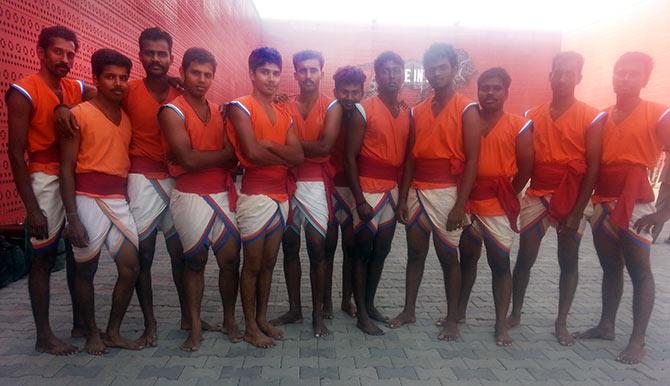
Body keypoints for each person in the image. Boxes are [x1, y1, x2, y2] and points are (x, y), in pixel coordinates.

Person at [578, 52, 670, 364]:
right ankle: (606, 325)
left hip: (637, 203)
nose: (625, 78)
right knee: (610, 268)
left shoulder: (658, 113)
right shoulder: (602, 117)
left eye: (633, 74)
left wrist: (664, 212)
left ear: (645, 79)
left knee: (639, 271)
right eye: (621, 72)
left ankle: (638, 340)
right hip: (602, 201)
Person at [507, 51, 605, 346]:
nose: (562, 78)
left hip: (572, 194)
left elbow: (594, 166)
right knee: (525, 257)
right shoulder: (532, 115)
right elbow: (524, 162)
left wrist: (577, 212)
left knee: (568, 260)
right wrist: (512, 195)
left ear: (579, 78)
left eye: (569, 73)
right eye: (558, 72)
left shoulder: (591, 116)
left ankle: (561, 321)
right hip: (537, 193)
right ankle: (515, 312)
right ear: (550, 75)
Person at [6, 25, 93, 355]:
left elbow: (115, 91)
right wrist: (31, 208)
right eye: (59, 52)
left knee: (77, 254)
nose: (65, 59)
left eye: (71, 54)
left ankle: (79, 322)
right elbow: (15, 152)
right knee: (42, 259)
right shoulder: (24, 90)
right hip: (43, 178)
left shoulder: (74, 87)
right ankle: (43, 336)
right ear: (41, 52)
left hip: (74, 174)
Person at [387, 43, 480, 341]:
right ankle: (409, 309)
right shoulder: (417, 112)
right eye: (432, 68)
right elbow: (411, 159)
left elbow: (473, 161)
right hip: (417, 192)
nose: (437, 73)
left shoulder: (466, 109)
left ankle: (453, 319)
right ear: (425, 72)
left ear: (453, 70)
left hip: (447, 194)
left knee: (447, 258)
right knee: (415, 254)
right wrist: (402, 198)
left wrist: (460, 205)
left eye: (443, 67)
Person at [159, 47, 243, 352]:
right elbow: (188, 160)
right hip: (190, 195)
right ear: (182, 74)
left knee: (231, 260)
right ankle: (194, 326)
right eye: (195, 72)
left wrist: (210, 158)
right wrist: (222, 157)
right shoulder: (172, 111)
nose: (202, 79)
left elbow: (232, 158)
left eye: (208, 74)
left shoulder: (220, 110)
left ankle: (230, 320)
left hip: (221, 194)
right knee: (194, 261)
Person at [59, 48, 142, 355]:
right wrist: (72, 217)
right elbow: (66, 168)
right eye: (110, 77)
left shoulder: (127, 117)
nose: (118, 83)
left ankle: (114, 331)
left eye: (123, 78)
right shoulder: (78, 115)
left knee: (130, 267)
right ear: (96, 78)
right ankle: (91, 332)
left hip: (119, 198)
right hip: (87, 198)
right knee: (86, 271)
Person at [227, 47, 304, 348]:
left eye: (275, 73)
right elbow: (250, 152)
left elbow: (297, 155)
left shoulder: (285, 113)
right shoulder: (241, 107)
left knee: (269, 263)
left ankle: (261, 318)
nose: (271, 79)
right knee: (253, 264)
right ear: (252, 74)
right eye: (265, 72)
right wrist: (274, 151)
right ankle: (249, 326)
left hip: (280, 196)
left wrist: (270, 143)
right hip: (255, 195)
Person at [456, 68, 534, 346]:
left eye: (496, 88)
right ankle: (459, 312)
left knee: (499, 263)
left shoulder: (517, 125)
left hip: (498, 202)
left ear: (506, 92)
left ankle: (501, 324)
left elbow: (526, 168)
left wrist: (507, 194)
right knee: (467, 258)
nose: (489, 92)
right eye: (484, 87)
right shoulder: (468, 117)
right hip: (468, 199)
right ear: (477, 90)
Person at [271, 50, 343, 337]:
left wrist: (289, 148)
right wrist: (303, 148)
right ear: (296, 73)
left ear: (322, 73)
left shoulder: (332, 106)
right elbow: (312, 146)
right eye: (303, 70)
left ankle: (317, 314)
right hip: (288, 182)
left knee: (317, 249)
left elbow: (325, 147)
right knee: (289, 248)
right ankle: (294, 308)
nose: (309, 76)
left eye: (314, 70)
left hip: (315, 184)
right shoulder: (283, 104)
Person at [346, 51, 411, 335]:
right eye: (385, 71)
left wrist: (404, 199)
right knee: (362, 252)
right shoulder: (364, 109)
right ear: (377, 75)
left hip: (392, 192)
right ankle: (361, 313)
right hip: (368, 190)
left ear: (403, 74)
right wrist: (358, 199)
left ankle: (369, 305)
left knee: (381, 252)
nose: (392, 75)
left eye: (397, 70)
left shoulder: (407, 113)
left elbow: (410, 159)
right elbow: (349, 157)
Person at [324, 66, 367, 319]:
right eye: (344, 92)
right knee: (328, 248)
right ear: (335, 91)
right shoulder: (327, 112)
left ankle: (346, 300)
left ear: (362, 92)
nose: (349, 97)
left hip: (353, 189)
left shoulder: (364, 115)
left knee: (350, 248)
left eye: (355, 92)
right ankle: (326, 301)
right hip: (330, 187)